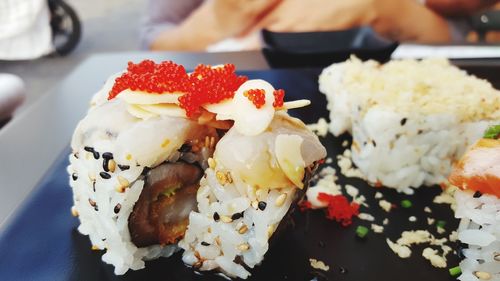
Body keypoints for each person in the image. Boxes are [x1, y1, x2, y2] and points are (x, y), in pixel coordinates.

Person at [141, 0, 500, 52]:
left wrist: (391, 12)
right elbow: (154, 41)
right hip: (237, 88)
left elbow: (476, 28)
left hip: (393, 101)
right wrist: (220, 18)